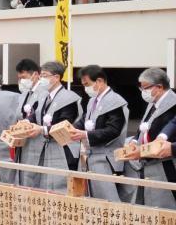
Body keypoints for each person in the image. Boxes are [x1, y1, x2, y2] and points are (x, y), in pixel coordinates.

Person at [67, 65, 128, 202]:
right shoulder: (92, 101)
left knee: (108, 200)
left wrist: (85, 135)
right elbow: (84, 121)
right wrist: (70, 128)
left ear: (99, 81)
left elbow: (113, 130)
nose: (85, 88)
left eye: (87, 84)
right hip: (89, 156)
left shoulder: (115, 101)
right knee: (90, 199)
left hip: (106, 158)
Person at [21, 61, 81, 191]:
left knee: (59, 187)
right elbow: (35, 114)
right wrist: (27, 122)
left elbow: (65, 123)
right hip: (45, 147)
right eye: (41, 76)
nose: (41, 79)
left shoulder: (69, 98)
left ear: (57, 77)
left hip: (62, 149)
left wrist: (41, 129)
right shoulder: (44, 96)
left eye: (45, 75)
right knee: (42, 186)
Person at [127, 68, 176, 208]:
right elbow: (143, 127)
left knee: (166, 208)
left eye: (146, 88)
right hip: (146, 163)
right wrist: (134, 141)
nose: (143, 92)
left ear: (159, 87)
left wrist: (162, 140)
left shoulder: (173, 103)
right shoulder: (152, 103)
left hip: (166, 164)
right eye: (141, 89)